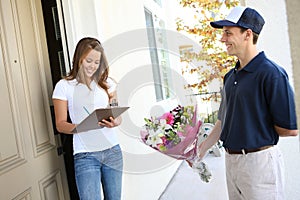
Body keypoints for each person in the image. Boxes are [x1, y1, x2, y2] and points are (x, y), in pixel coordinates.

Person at [198, 6, 298, 200]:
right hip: (231, 161)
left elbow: (290, 129)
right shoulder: (229, 77)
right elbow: (222, 120)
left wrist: (253, 125)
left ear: (248, 34)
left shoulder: (271, 74)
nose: (222, 39)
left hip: (259, 163)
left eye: (228, 33)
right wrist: (200, 151)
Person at [52, 37, 123, 200]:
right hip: (85, 155)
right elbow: (60, 125)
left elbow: (116, 115)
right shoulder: (64, 86)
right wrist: (82, 127)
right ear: (79, 59)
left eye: (97, 62)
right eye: (89, 60)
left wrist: (115, 121)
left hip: (113, 151)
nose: (93, 66)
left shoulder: (108, 83)